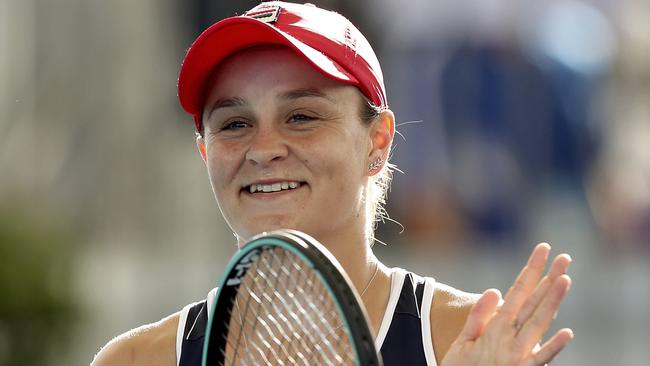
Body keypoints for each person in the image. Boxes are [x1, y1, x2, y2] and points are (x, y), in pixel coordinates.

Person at [91, 2, 573, 365]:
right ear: (204, 151)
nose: (263, 148)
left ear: (378, 141)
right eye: (234, 124)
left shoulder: (466, 340)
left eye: (301, 116)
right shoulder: (136, 360)